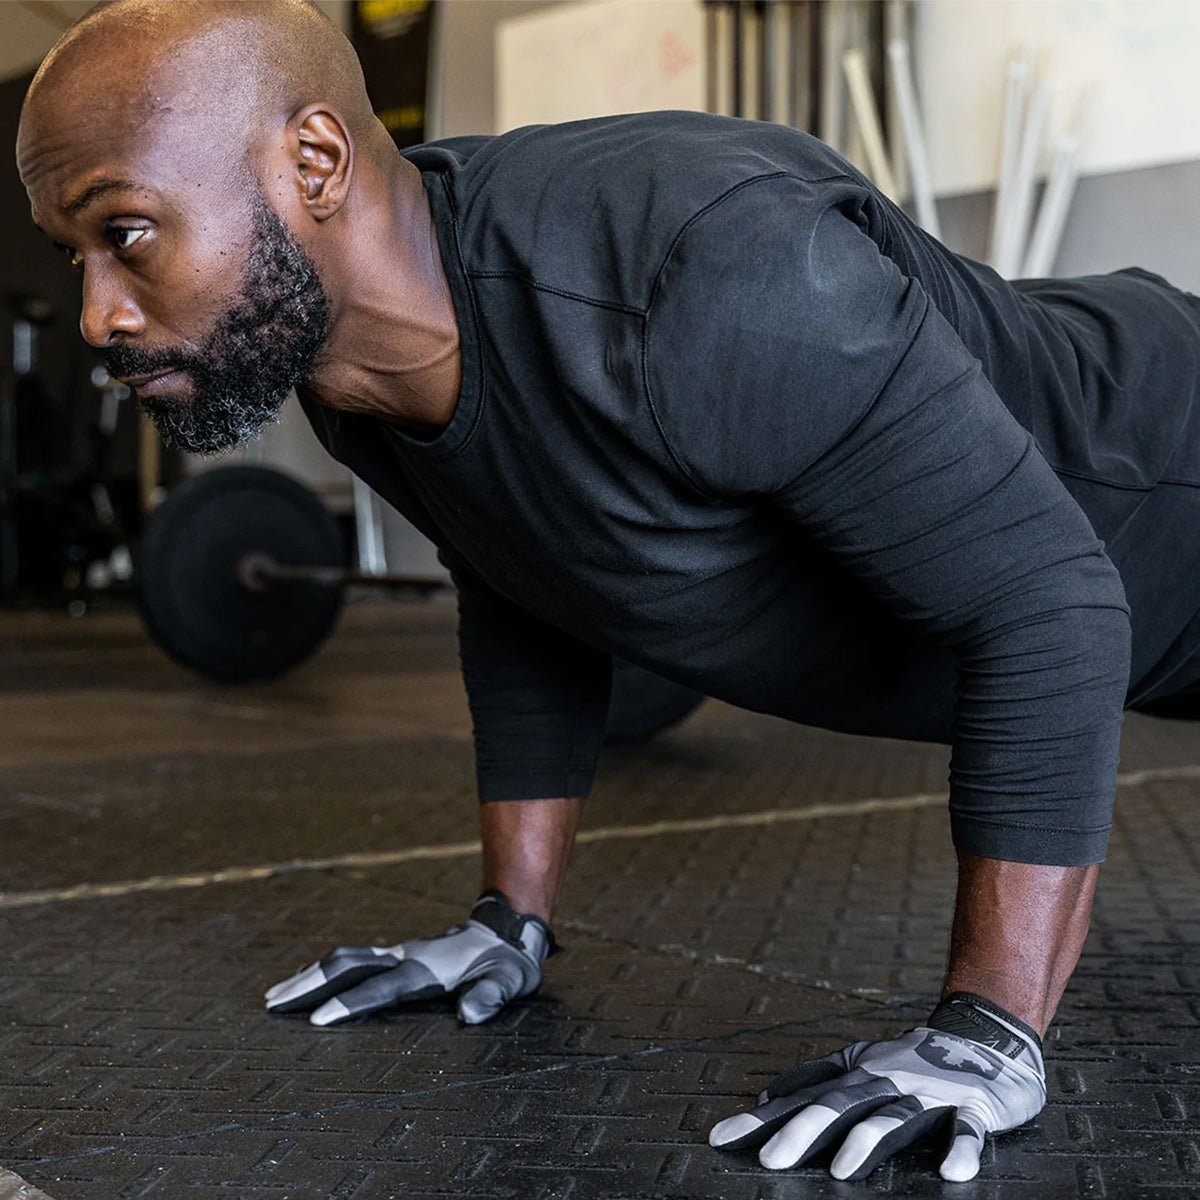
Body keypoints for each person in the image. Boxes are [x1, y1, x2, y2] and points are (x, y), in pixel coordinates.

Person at [17, 0, 1200, 1184]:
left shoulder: (707, 269)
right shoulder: (354, 370)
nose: (98, 315)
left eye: (127, 231)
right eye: (76, 255)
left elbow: (1052, 606)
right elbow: (523, 577)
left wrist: (985, 1033)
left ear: (313, 163)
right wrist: (508, 921)